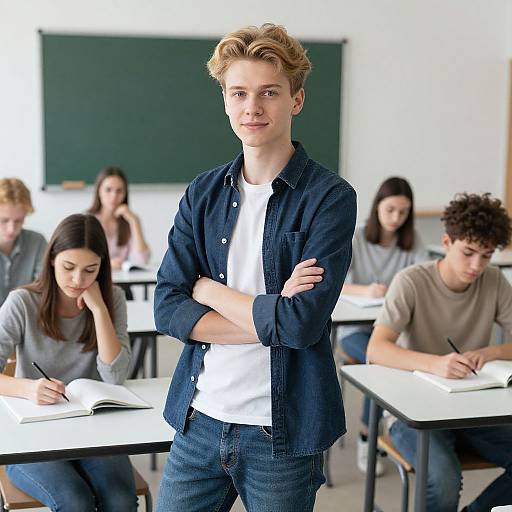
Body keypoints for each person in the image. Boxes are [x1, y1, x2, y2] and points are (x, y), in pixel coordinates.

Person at [154, 23, 356, 512]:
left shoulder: (329, 198)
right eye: (239, 92)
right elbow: (166, 306)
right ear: (225, 100)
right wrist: (270, 315)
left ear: (297, 100)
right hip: (198, 418)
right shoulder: (202, 194)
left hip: (281, 432)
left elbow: (303, 323)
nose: (253, 107)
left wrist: (207, 289)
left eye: (269, 92)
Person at [367, 193, 512, 512]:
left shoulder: (494, 281)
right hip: (412, 412)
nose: (477, 266)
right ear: (447, 242)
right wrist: (435, 364)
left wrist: (491, 351)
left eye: (486, 256)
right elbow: (376, 349)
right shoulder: (411, 281)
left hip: (472, 407)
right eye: (469, 252)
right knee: (444, 480)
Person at [0, 213, 136, 512]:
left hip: (94, 430)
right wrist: (27, 389)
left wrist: (99, 309)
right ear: (51, 260)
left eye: (90, 270)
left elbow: (115, 377)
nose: (78, 280)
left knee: (121, 501)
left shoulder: (111, 298)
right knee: (75, 503)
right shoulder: (22, 302)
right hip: (33, 434)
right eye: (68, 267)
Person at [340, 176, 427, 474]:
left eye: (403, 212)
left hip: (397, 331)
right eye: (390, 210)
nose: (396, 218)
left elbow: (422, 285)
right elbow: (334, 283)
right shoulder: (356, 237)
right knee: (379, 363)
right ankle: (368, 436)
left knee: (408, 359)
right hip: (356, 330)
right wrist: (366, 290)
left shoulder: (413, 243)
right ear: (377, 206)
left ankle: (398, 425)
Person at [88, 166, 150, 270]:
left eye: (119, 191)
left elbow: (142, 261)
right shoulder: (89, 221)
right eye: (108, 190)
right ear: (99, 191)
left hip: (122, 283)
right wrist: (107, 265)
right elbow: (83, 259)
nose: (114, 196)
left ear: (125, 194)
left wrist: (134, 221)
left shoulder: (128, 221)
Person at [0, 178, 46, 306]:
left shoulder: (37, 242)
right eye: (4, 220)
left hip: (26, 319)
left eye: (18, 221)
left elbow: (43, 289)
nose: (11, 229)